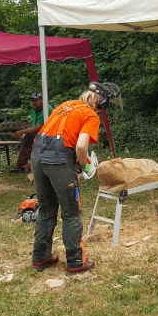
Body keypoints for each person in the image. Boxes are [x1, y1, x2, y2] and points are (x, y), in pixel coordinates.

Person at [30, 81, 121, 275]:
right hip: (59, 159)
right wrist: (81, 163)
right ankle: (75, 261)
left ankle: (40, 257)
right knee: (71, 212)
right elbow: (81, 147)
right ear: (101, 101)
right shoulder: (90, 114)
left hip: (37, 156)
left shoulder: (65, 106)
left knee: (46, 209)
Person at [11, 92, 53, 173]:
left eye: (36, 100)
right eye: (32, 100)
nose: (34, 102)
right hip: (41, 133)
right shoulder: (34, 109)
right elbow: (35, 125)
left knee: (28, 137)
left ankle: (21, 164)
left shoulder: (47, 109)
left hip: (50, 133)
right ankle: (27, 163)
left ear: (42, 100)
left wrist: (21, 132)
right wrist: (24, 132)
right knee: (27, 138)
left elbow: (39, 127)